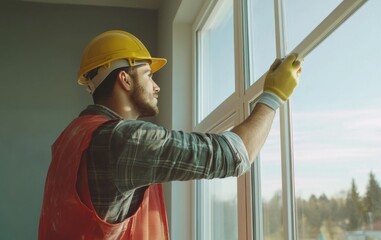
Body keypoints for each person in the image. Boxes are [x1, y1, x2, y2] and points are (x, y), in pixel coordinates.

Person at [38, 30, 302, 239]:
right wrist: (273, 96)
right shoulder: (124, 140)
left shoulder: (70, 138)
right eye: (149, 74)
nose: (157, 87)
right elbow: (234, 155)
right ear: (125, 79)